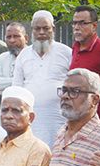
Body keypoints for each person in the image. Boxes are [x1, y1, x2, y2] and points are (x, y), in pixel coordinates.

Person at [21, 69, 100, 166]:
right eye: (64, 90)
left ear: (94, 100)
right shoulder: (61, 132)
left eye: (74, 92)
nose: (65, 96)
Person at [13, 10, 72, 145]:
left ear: (53, 29)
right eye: (37, 29)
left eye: (46, 28)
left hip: (59, 118)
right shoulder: (24, 55)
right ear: (32, 30)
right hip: (30, 119)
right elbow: (16, 88)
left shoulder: (66, 52)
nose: (41, 32)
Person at [70, 5, 100, 119]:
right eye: (74, 23)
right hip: (78, 115)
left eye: (82, 23)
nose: (77, 27)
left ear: (94, 26)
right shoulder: (75, 47)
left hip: (99, 117)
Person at [0, 22, 25, 92]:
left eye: (16, 36)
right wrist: (19, 80)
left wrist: (2, 84)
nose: (12, 40)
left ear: (26, 38)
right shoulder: (3, 57)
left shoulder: (32, 56)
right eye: (8, 37)